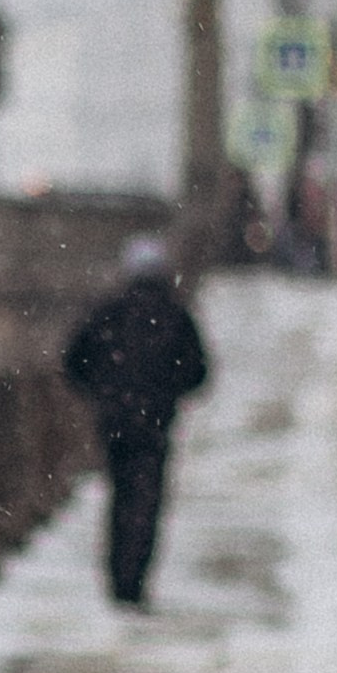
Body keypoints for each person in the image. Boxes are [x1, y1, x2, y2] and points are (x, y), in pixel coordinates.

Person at [61, 236, 210, 609]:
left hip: (114, 422)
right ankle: (135, 579)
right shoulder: (175, 316)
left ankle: (117, 577)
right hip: (154, 424)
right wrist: (166, 390)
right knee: (147, 500)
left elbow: (73, 360)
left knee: (119, 495)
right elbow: (198, 373)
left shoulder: (109, 313)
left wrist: (102, 391)